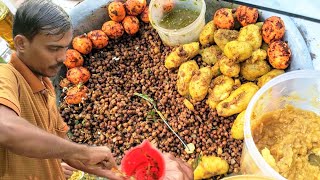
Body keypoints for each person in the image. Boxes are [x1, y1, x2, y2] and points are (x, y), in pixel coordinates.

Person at [0, 0, 193, 180]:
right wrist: (82, 152)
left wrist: (110, 170)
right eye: (53, 48)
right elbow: (6, 129)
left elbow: (61, 145)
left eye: (64, 48)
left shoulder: (45, 86)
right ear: (21, 44)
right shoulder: (6, 77)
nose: (62, 58)